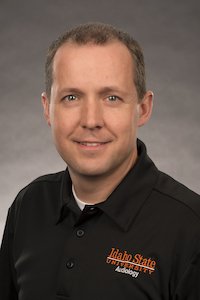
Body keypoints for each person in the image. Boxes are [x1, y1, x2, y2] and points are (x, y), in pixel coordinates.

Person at [0, 22, 200, 300]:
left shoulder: (191, 228)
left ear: (143, 109)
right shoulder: (28, 206)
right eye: (71, 97)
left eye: (111, 98)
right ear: (47, 109)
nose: (91, 120)